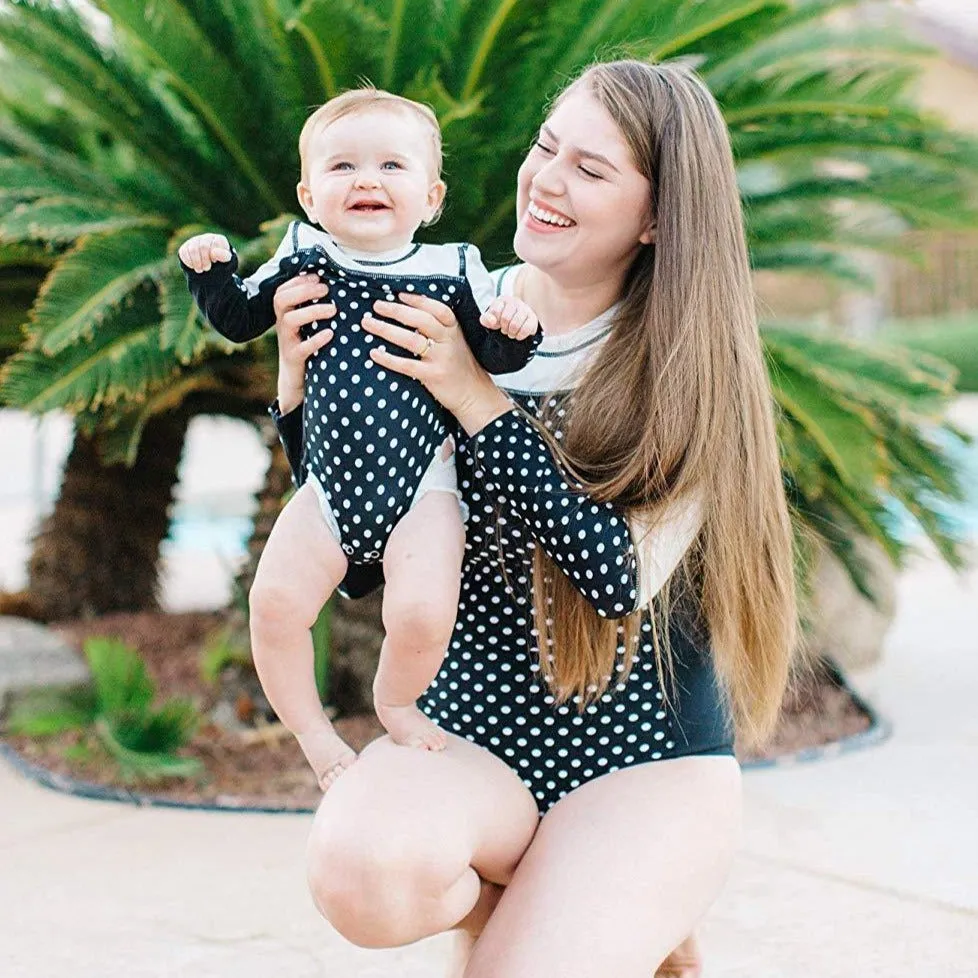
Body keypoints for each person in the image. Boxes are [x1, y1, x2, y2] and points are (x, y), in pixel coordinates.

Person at [270, 60, 797, 978]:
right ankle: (579, 905)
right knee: (360, 873)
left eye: (592, 170)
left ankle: (606, 899)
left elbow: (617, 577)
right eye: (547, 147)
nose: (547, 180)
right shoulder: (444, 310)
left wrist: (476, 399)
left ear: (659, 216)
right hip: (467, 743)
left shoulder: (686, 373)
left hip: (642, 763)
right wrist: (297, 381)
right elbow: (357, 549)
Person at [178, 89, 541, 786]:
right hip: (327, 492)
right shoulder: (302, 255)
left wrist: (512, 333)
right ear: (309, 196)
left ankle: (395, 698)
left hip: (422, 491)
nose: (367, 180)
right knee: (275, 606)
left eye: (391, 166)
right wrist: (212, 272)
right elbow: (239, 317)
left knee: (425, 611)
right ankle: (315, 736)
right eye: (342, 167)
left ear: (431, 197)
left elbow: (492, 360)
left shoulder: (455, 269)